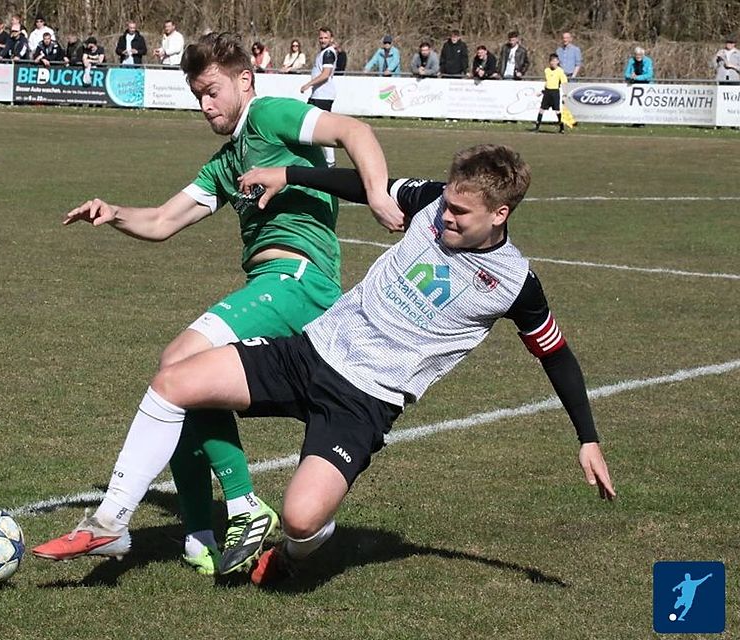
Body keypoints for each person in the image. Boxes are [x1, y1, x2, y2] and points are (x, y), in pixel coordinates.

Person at [33, 142, 616, 586]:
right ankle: (110, 526)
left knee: (302, 519)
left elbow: (556, 355)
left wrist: (586, 437)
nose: (445, 217)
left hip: (363, 403)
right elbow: (366, 184)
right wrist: (287, 174)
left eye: (461, 212)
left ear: (501, 213)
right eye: (447, 204)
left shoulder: (515, 284)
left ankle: (286, 557)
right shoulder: (431, 200)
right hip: (310, 352)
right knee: (174, 380)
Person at [31, 32, 405, 577]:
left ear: (244, 79)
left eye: (212, 92)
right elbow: (162, 221)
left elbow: (354, 130)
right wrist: (112, 212)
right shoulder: (227, 160)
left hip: (300, 279)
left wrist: (375, 193)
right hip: (275, 283)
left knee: (179, 360)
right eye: (197, 96)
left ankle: (226, 506)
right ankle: (200, 536)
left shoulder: (270, 115)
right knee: (180, 380)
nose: (205, 106)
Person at [300, 27, 338, 167]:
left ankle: (329, 161)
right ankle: (324, 159)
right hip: (318, 95)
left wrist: (308, 84)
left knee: (321, 127)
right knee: (312, 124)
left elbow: (326, 74)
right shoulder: (324, 52)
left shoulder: (328, 53)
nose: (322, 40)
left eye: (325, 38)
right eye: (321, 38)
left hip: (323, 96)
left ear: (331, 38)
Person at [535, 54, 568, 133]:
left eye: (555, 61)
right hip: (547, 92)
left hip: (555, 92)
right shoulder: (547, 70)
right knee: (541, 110)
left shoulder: (560, 71)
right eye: (552, 61)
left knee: (557, 111)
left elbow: (564, 83)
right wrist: (542, 91)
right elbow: (547, 82)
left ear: (558, 62)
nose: (553, 63)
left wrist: (565, 94)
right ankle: (537, 127)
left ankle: (562, 128)